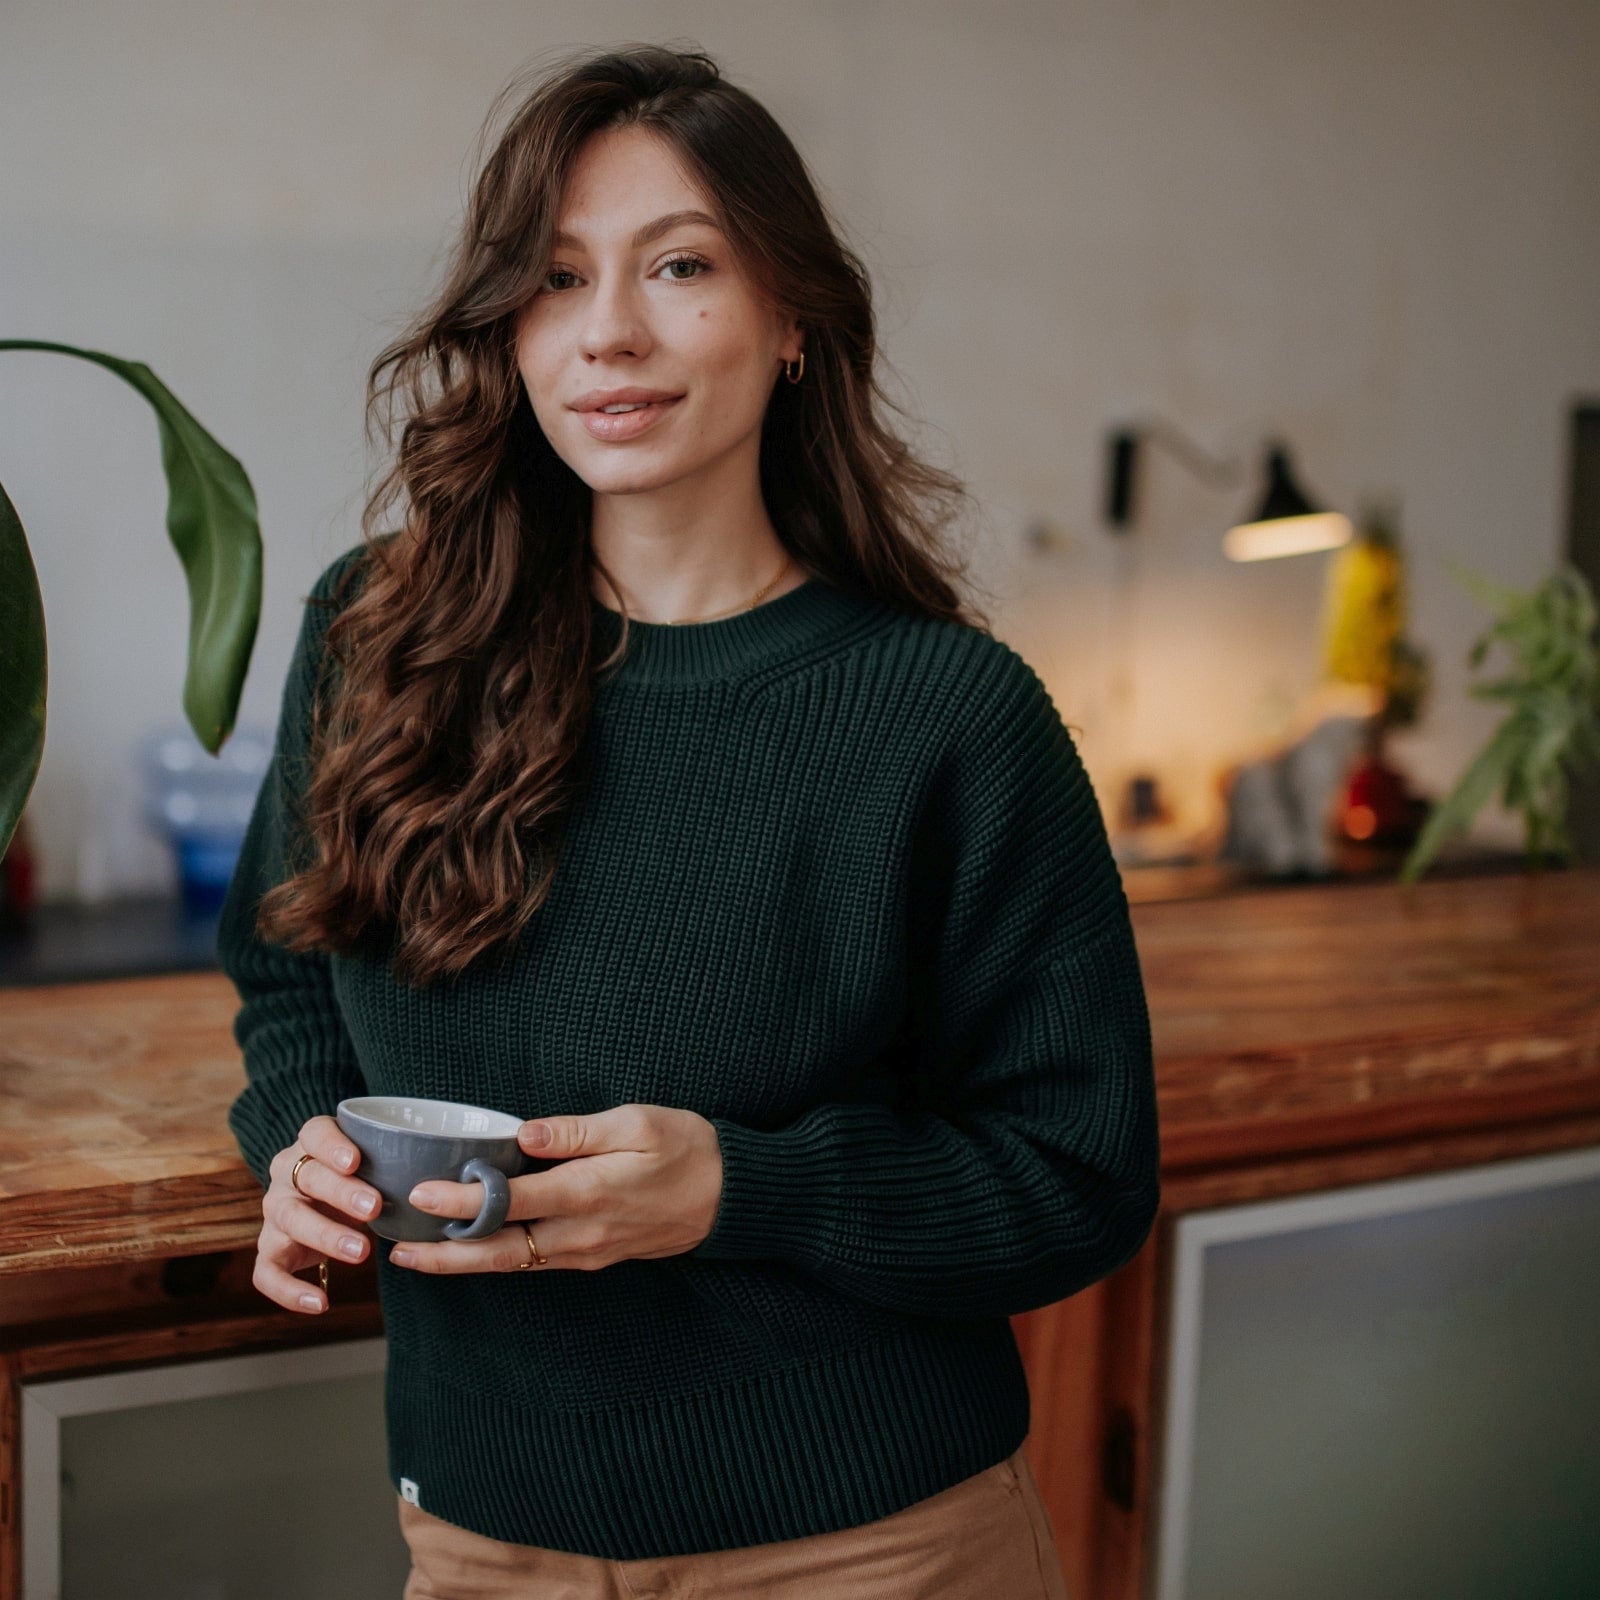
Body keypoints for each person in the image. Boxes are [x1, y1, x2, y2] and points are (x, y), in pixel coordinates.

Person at [218, 41, 1160, 1600]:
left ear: (792, 319)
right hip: (477, 1536)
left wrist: (739, 1190)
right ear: (507, 331)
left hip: (872, 1545)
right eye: (557, 278)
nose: (612, 334)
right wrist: (298, 1150)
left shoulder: (945, 714)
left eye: (680, 266)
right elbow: (287, 973)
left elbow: (1077, 1174)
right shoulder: (380, 634)